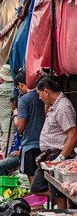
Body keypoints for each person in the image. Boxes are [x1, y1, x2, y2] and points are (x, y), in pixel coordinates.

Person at [30, 76, 77, 209]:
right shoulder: (54, 105)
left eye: (40, 94)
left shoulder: (63, 107)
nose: (39, 98)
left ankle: (65, 202)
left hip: (58, 156)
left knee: (58, 191)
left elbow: (73, 135)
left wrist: (61, 158)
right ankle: (64, 198)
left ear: (46, 91)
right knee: (38, 186)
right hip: (50, 156)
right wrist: (47, 102)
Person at [13, 71, 45, 184]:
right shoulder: (43, 96)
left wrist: (15, 113)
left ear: (21, 85)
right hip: (46, 146)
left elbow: (20, 127)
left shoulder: (24, 100)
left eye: (18, 87)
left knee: (35, 186)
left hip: (30, 146)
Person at [0, 97, 22, 177]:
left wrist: (20, 152)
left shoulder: (22, 124)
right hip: (15, 153)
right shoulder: (19, 124)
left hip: (22, 154)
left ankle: (4, 188)